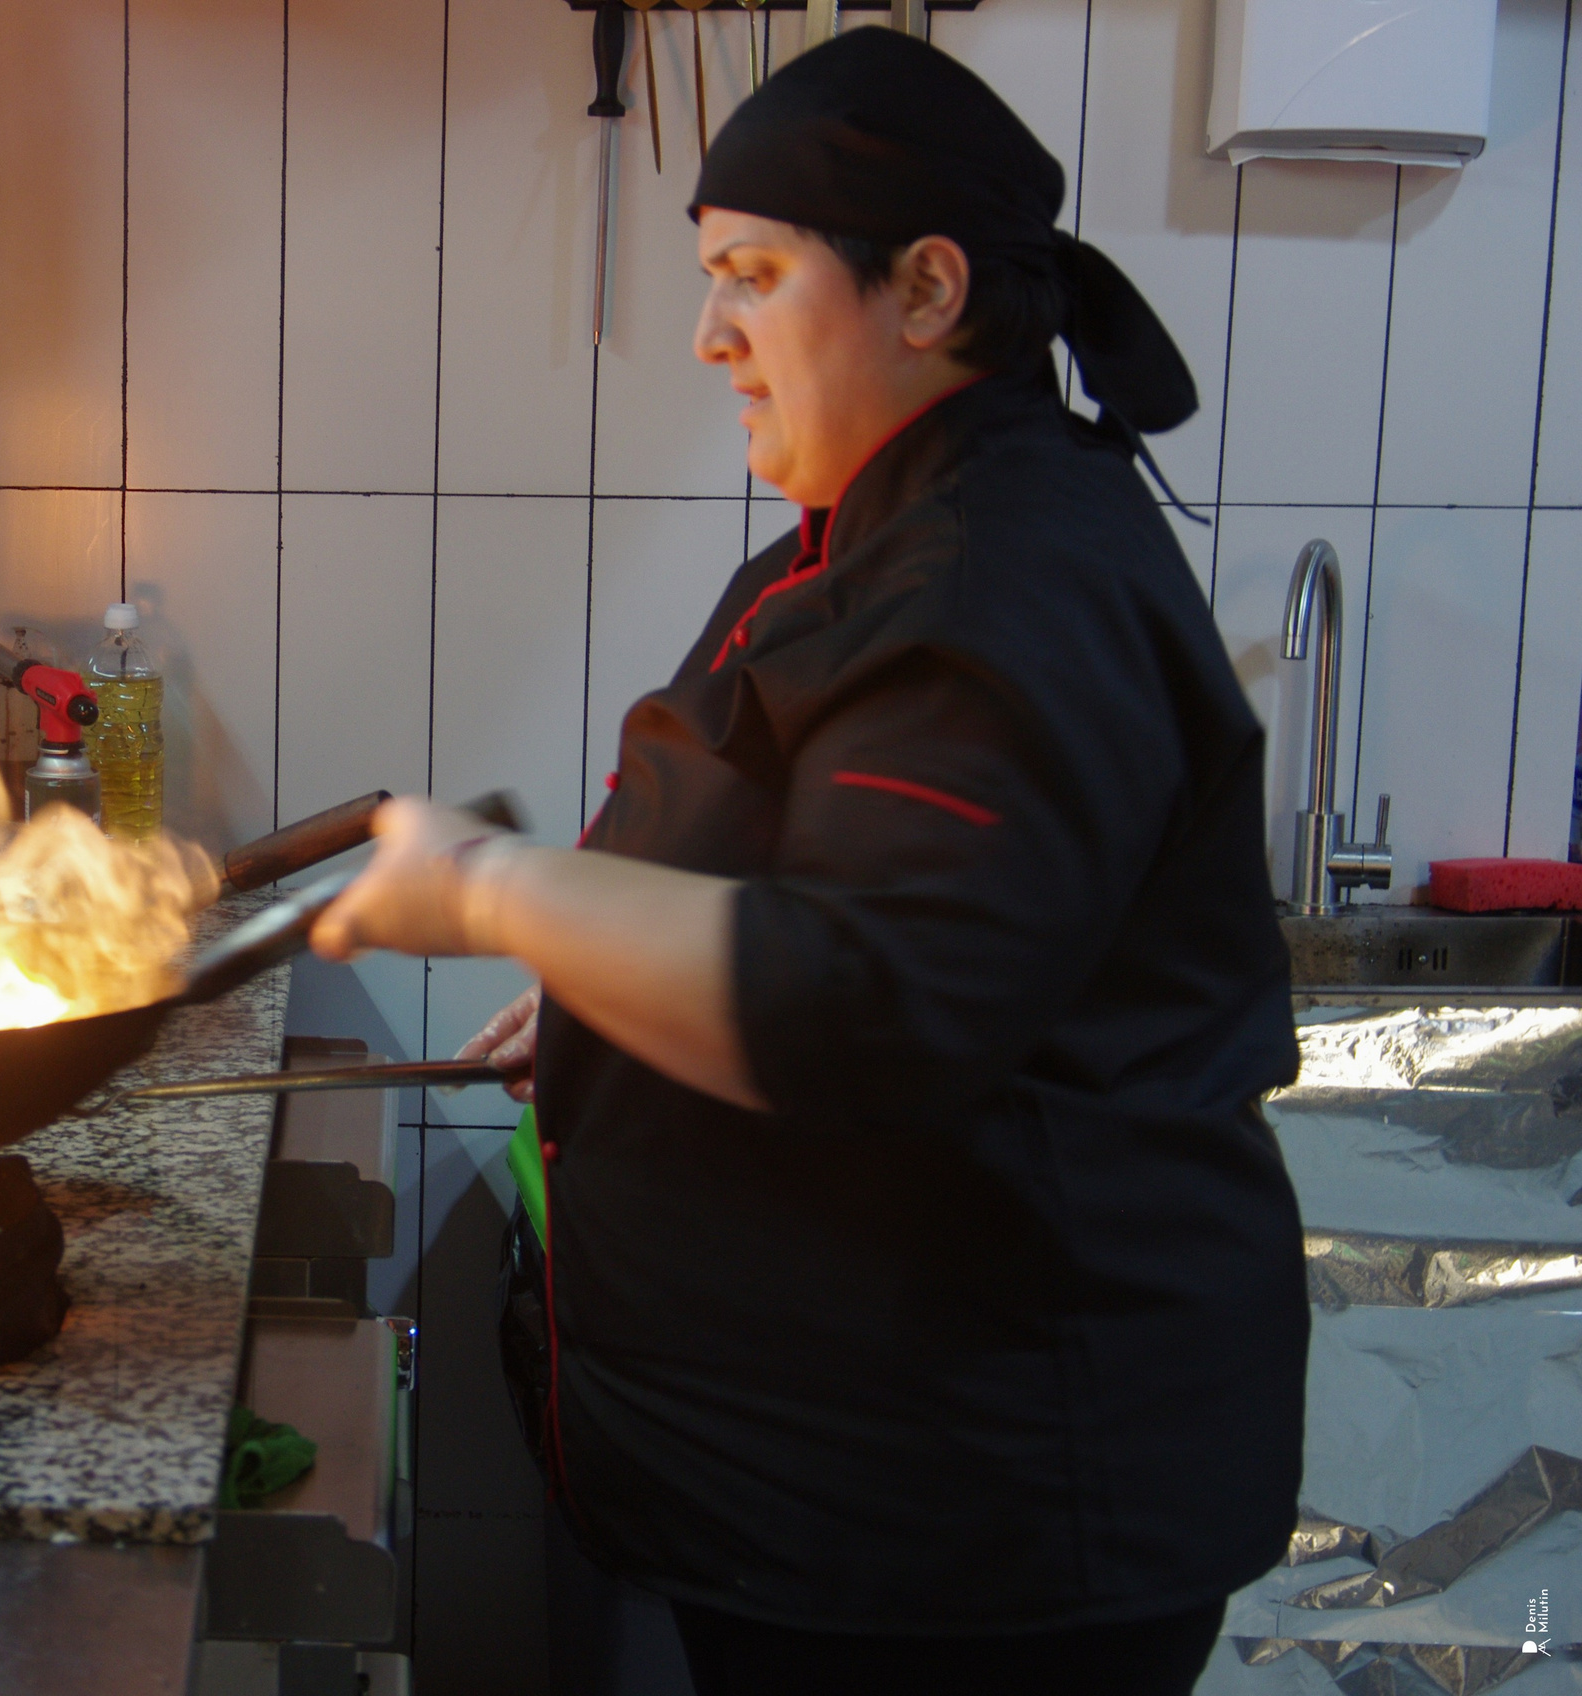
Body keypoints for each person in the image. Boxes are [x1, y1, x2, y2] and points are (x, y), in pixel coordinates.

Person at [310, 28, 1306, 1696]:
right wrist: (617, 1003)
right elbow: (815, 882)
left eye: (755, 277)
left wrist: (495, 892)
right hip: (849, 1489)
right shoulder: (885, 535)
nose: (712, 336)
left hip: (969, 1537)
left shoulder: (1006, 586)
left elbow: (873, 998)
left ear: (924, 290)